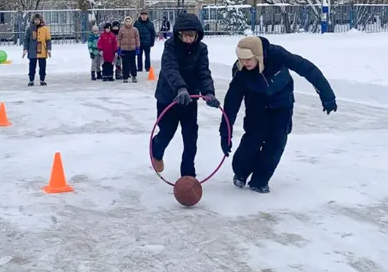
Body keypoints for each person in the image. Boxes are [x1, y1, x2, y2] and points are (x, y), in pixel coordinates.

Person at [220, 35, 338, 194]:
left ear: (258, 55)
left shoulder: (277, 55)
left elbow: (307, 69)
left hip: (282, 104)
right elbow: (232, 101)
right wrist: (225, 133)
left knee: (275, 143)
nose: (244, 62)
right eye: (241, 59)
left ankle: (260, 181)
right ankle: (241, 173)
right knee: (252, 141)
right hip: (256, 106)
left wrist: (327, 95)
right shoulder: (241, 71)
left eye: (248, 59)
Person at [150, 12, 220, 178]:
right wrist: (180, 88)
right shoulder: (170, 46)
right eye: (185, 35)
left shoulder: (202, 49)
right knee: (167, 132)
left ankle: (188, 173)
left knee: (190, 137)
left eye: (192, 35)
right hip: (168, 97)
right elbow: (170, 68)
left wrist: (209, 92)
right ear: (178, 34)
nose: (189, 39)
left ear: (198, 34)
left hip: (190, 100)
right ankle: (156, 149)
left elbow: (204, 72)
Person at [22, 13, 51, 86]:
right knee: (32, 66)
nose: (36, 21)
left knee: (42, 66)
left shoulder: (45, 28)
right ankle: (31, 80)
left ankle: (42, 80)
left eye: (38, 20)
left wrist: (49, 49)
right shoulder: (29, 28)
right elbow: (26, 39)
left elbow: (48, 40)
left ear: (40, 20)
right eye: (35, 20)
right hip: (32, 51)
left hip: (42, 50)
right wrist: (25, 49)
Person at [117, 15, 141, 83]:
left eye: (129, 21)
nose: (128, 22)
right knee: (125, 64)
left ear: (131, 22)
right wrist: (118, 48)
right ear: (125, 22)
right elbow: (118, 39)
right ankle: (125, 76)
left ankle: (134, 76)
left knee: (133, 63)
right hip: (124, 49)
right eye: (126, 21)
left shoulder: (135, 29)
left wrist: (137, 47)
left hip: (132, 49)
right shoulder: (122, 30)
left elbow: (137, 39)